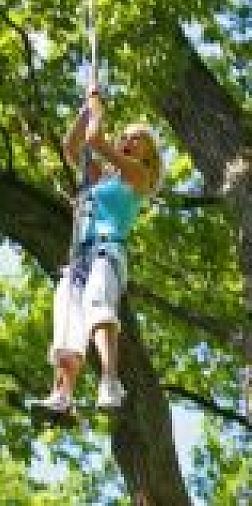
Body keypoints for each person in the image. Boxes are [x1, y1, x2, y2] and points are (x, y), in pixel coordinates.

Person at [40, 84, 163, 411]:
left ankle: (110, 380)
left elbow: (95, 140)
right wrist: (86, 109)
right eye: (126, 135)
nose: (128, 140)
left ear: (149, 153)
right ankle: (63, 394)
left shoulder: (139, 178)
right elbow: (72, 146)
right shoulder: (101, 180)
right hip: (79, 254)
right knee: (67, 319)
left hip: (107, 251)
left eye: (137, 138)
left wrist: (98, 111)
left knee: (98, 302)